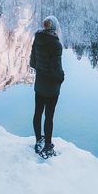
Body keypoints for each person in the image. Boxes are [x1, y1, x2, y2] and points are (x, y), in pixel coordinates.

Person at [29, 15, 64, 158]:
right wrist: (61, 77)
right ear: (55, 27)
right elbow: (56, 69)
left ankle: (39, 140)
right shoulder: (56, 45)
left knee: (38, 113)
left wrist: (42, 71)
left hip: (39, 84)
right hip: (51, 88)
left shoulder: (37, 39)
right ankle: (48, 146)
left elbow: (33, 63)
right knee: (49, 116)